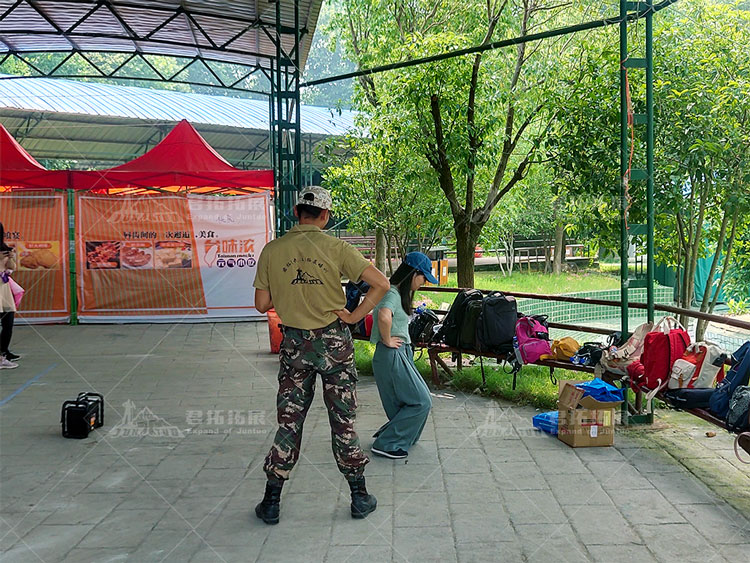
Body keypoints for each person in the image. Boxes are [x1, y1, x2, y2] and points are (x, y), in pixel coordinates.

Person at [253, 186, 390, 524]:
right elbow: (382, 283)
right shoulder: (338, 247)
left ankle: (271, 502)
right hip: (334, 344)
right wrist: (356, 316)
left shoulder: (273, 250)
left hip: (295, 346)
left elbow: (261, 304)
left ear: (296, 212)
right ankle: (359, 496)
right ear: (325, 216)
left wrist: (288, 294)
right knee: (342, 421)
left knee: (289, 422)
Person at [369, 252, 435, 459]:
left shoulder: (393, 292)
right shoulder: (393, 294)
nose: (424, 282)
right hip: (393, 353)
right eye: (423, 277)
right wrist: (387, 339)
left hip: (395, 353)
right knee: (422, 401)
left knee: (402, 401)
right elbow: (383, 315)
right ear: (414, 274)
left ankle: (400, 437)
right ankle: (388, 442)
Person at [0, 223, 18, 369]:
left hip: (4, 290)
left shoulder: (4, 248)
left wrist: (11, 257)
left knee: (8, 323)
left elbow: (12, 268)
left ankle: (3, 354)